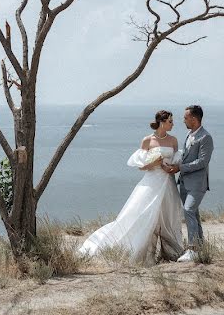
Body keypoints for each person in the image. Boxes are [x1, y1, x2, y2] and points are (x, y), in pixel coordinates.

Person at [78, 110, 185, 265]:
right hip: (151, 182)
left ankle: (170, 252)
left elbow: (176, 161)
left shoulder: (173, 140)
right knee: (143, 215)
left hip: (168, 182)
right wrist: (154, 164)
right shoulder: (147, 140)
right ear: (162, 122)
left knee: (168, 216)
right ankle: (143, 255)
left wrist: (173, 168)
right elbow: (142, 167)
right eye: (170, 121)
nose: (173, 124)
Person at [162, 104, 213, 262]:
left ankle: (192, 250)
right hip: (184, 183)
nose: (183, 120)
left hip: (197, 184)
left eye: (185, 117)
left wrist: (180, 167)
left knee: (188, 210)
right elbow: (186, 156)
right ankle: (200, 247)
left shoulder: (205, 137)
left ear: (194, 118)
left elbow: (202, 162)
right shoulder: (190, 134)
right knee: (194, 215)